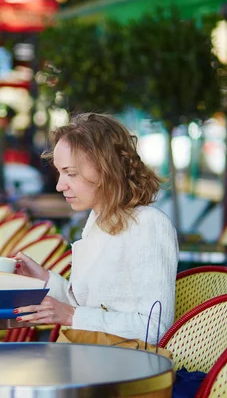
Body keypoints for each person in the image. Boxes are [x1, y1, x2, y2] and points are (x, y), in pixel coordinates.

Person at [13, 113, 178, 344]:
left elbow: (155, 328)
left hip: (125, 371)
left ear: (105, 168)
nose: (60, 185)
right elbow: (87, 308)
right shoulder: (97, 221)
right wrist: (45, 279)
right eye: (60, 172)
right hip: (91, 359)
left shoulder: (148, 224)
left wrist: (71, 315)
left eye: (71, 173)